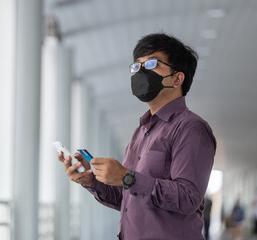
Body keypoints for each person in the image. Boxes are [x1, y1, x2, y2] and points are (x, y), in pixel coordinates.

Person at [58, 33, 216, 240]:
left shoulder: (191, 128)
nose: (141, 72)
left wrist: (127, 177)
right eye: (136, 66)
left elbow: (188, 198)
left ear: (177, 78)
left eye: (151, 64)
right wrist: (91, 181)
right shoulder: (141, 131)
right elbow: (129, 199)